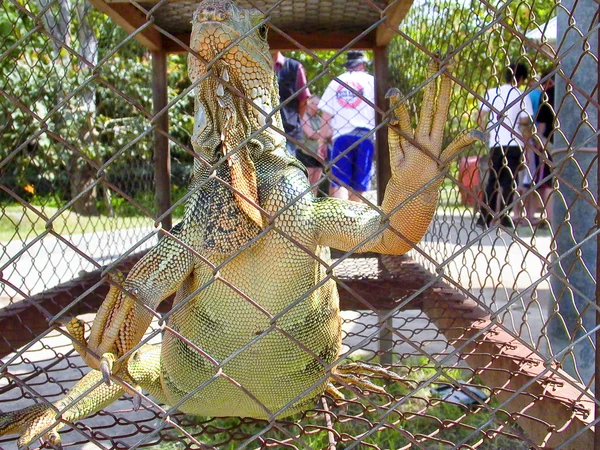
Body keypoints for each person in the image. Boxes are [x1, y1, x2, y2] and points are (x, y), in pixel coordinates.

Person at [476, 62, 534, 229]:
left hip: (496, 141)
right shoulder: (522, 95)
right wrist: (526, 144)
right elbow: (524, 122)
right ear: (521, 78)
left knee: (492, 180)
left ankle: (484, 217)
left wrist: (486, 132)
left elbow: (480, 115)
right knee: (510, 181)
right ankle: (505, 215)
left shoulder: (493, 92)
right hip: (514, 142)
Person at [318, 50, 375, 201]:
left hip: (341, 136)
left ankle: (340, 220)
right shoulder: (372, 81)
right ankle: (356, 220)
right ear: (363, 64)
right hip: (366, 135)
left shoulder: (336, 82)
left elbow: (326, 116)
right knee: (359, 184)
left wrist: (321, 142)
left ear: (347, 65)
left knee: (339, 182)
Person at [272, 51, 311, 157]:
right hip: (260, 129)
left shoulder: (295, 67)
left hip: (288, 131)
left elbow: (304, 99)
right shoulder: (255, 66)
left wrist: (294, 120)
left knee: (285, 169)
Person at [300, 95, 329, 195]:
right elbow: (310, 133)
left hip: (318, 154)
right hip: (307, 153)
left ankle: (313, 205)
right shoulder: (304, 115)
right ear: (310, 104)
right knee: (307, 182)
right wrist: (323, 134)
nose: (319, 106)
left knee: (315, 183)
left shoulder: (319, 117)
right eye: (317, 104)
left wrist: (322, 134)